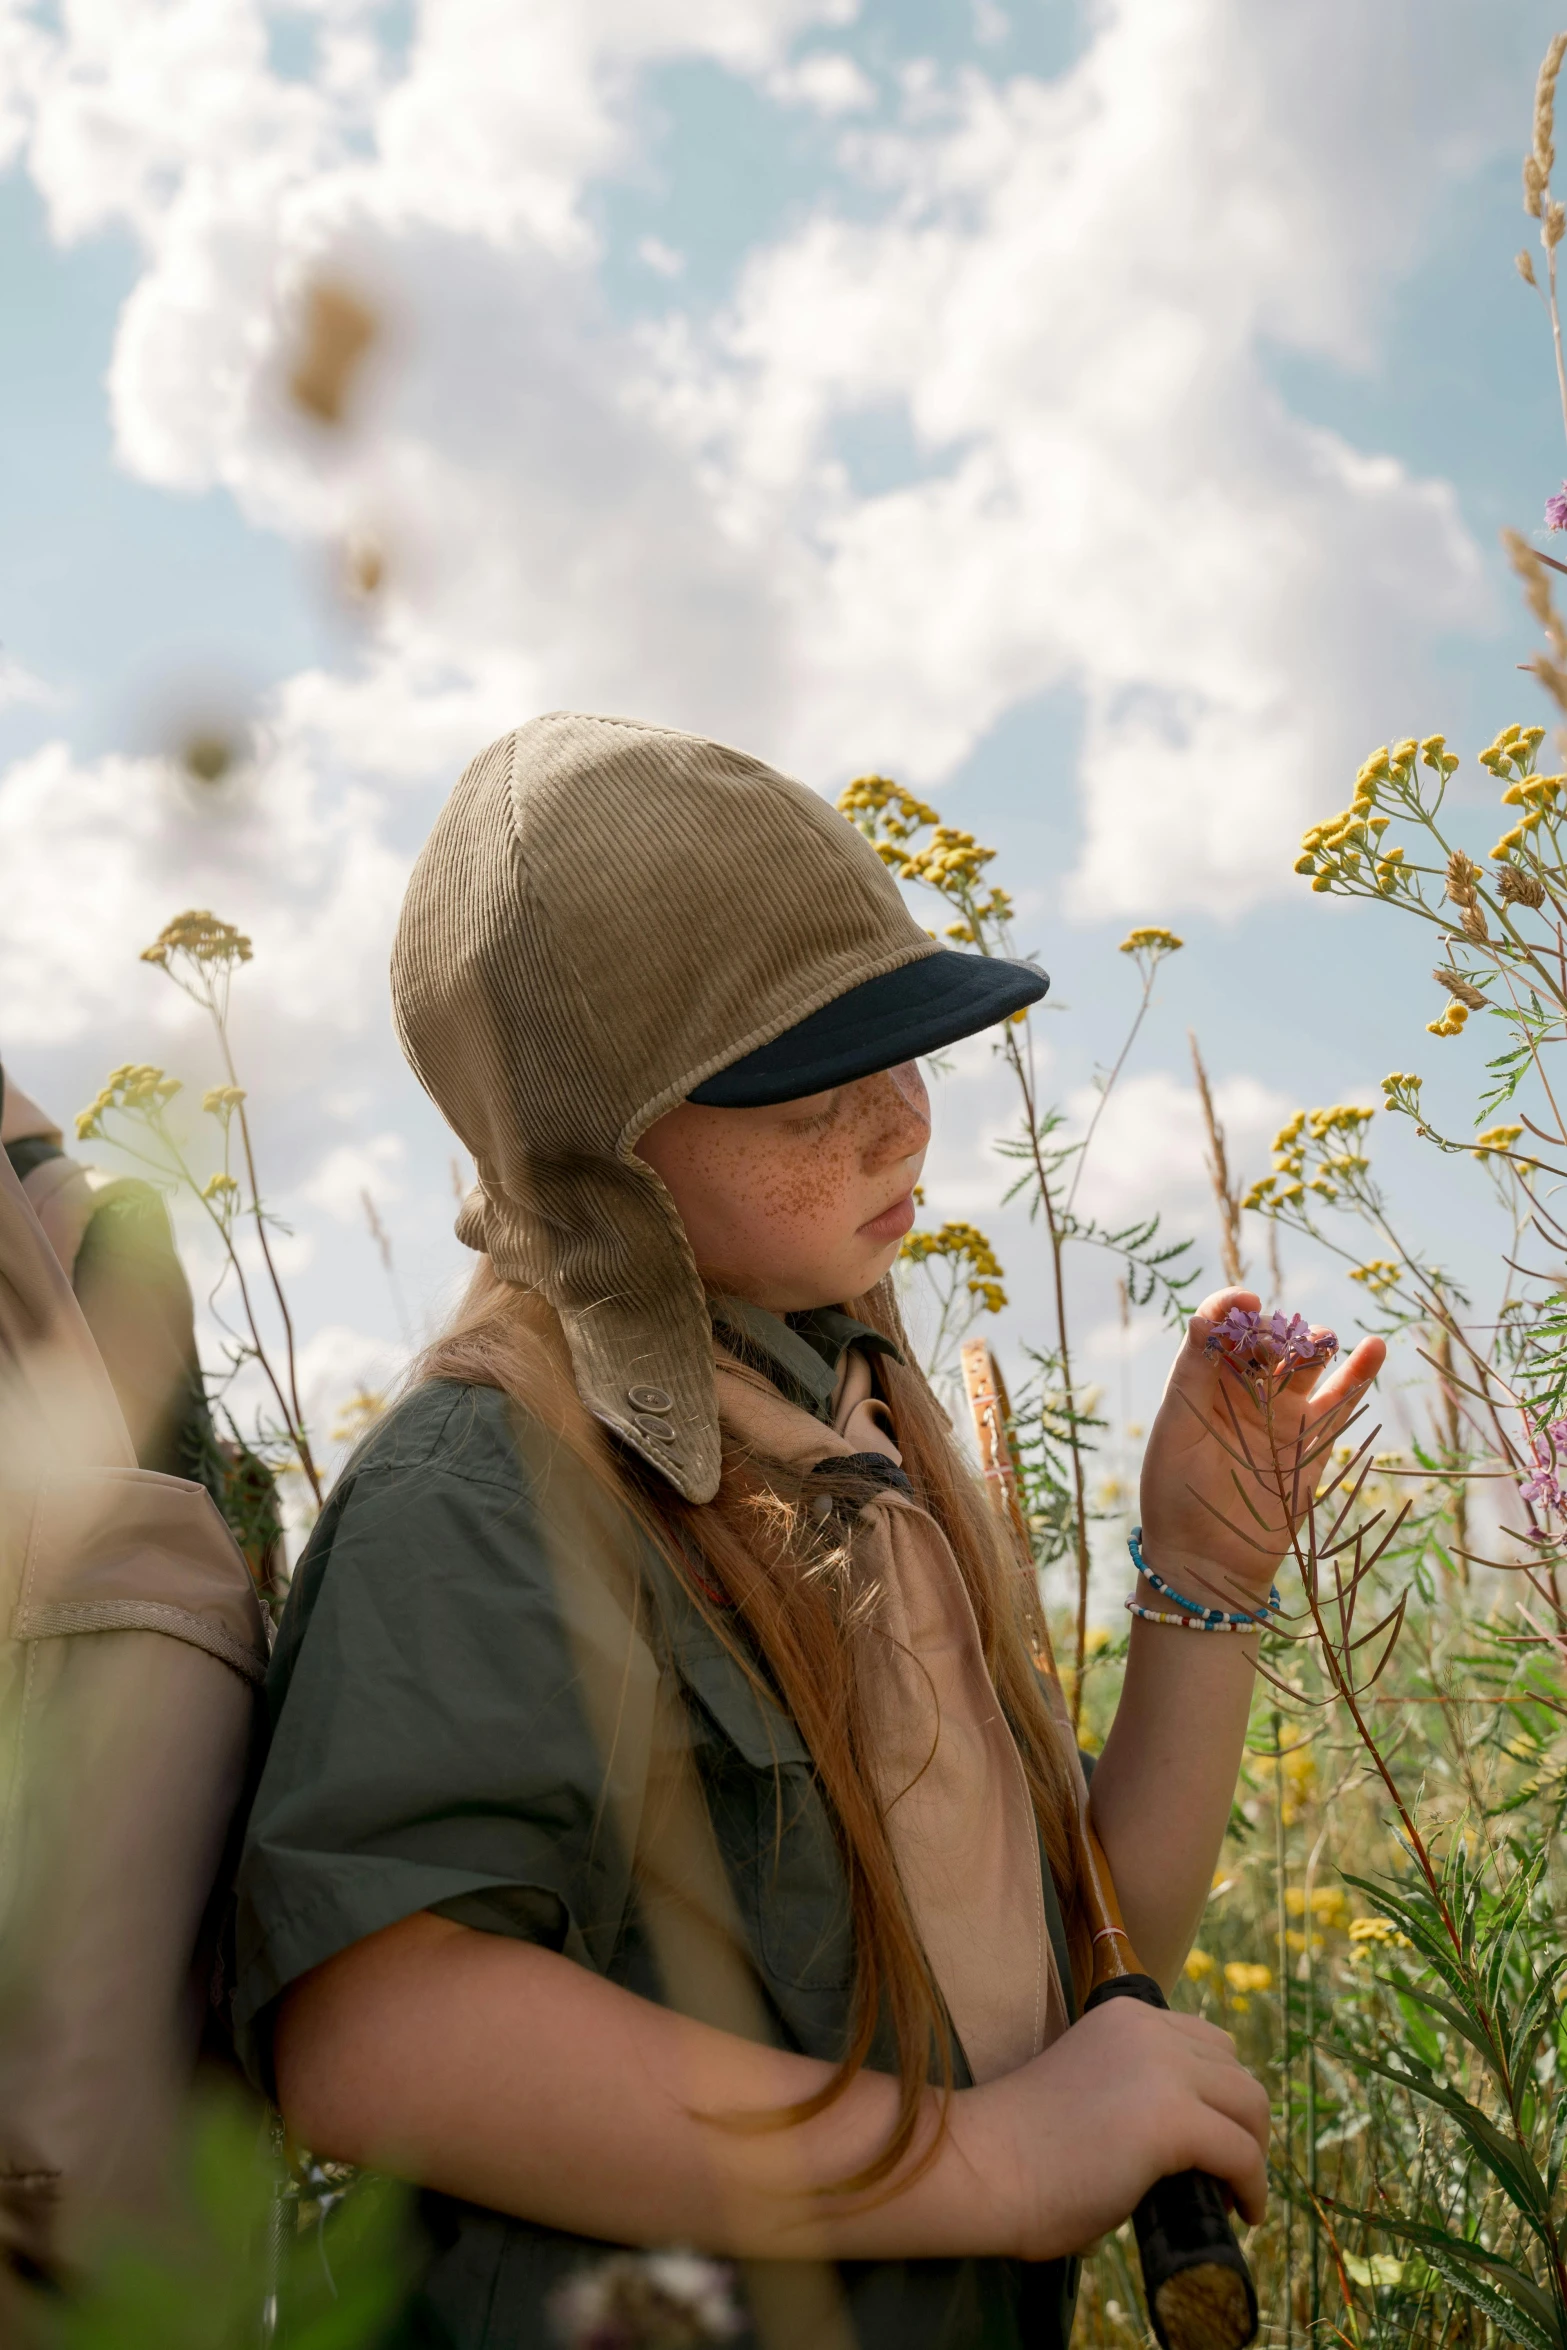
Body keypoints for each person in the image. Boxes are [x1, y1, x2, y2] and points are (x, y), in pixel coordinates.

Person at [232, 713, 1382, 2349]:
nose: (903, 1121)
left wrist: (1201, 1577)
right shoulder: (494, 1489)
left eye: (901, 1051)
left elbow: (1057, 1975)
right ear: (599, 1147)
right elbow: (387, 2034)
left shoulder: (855, 1431)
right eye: (807, 1095)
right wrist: (980, 2161)